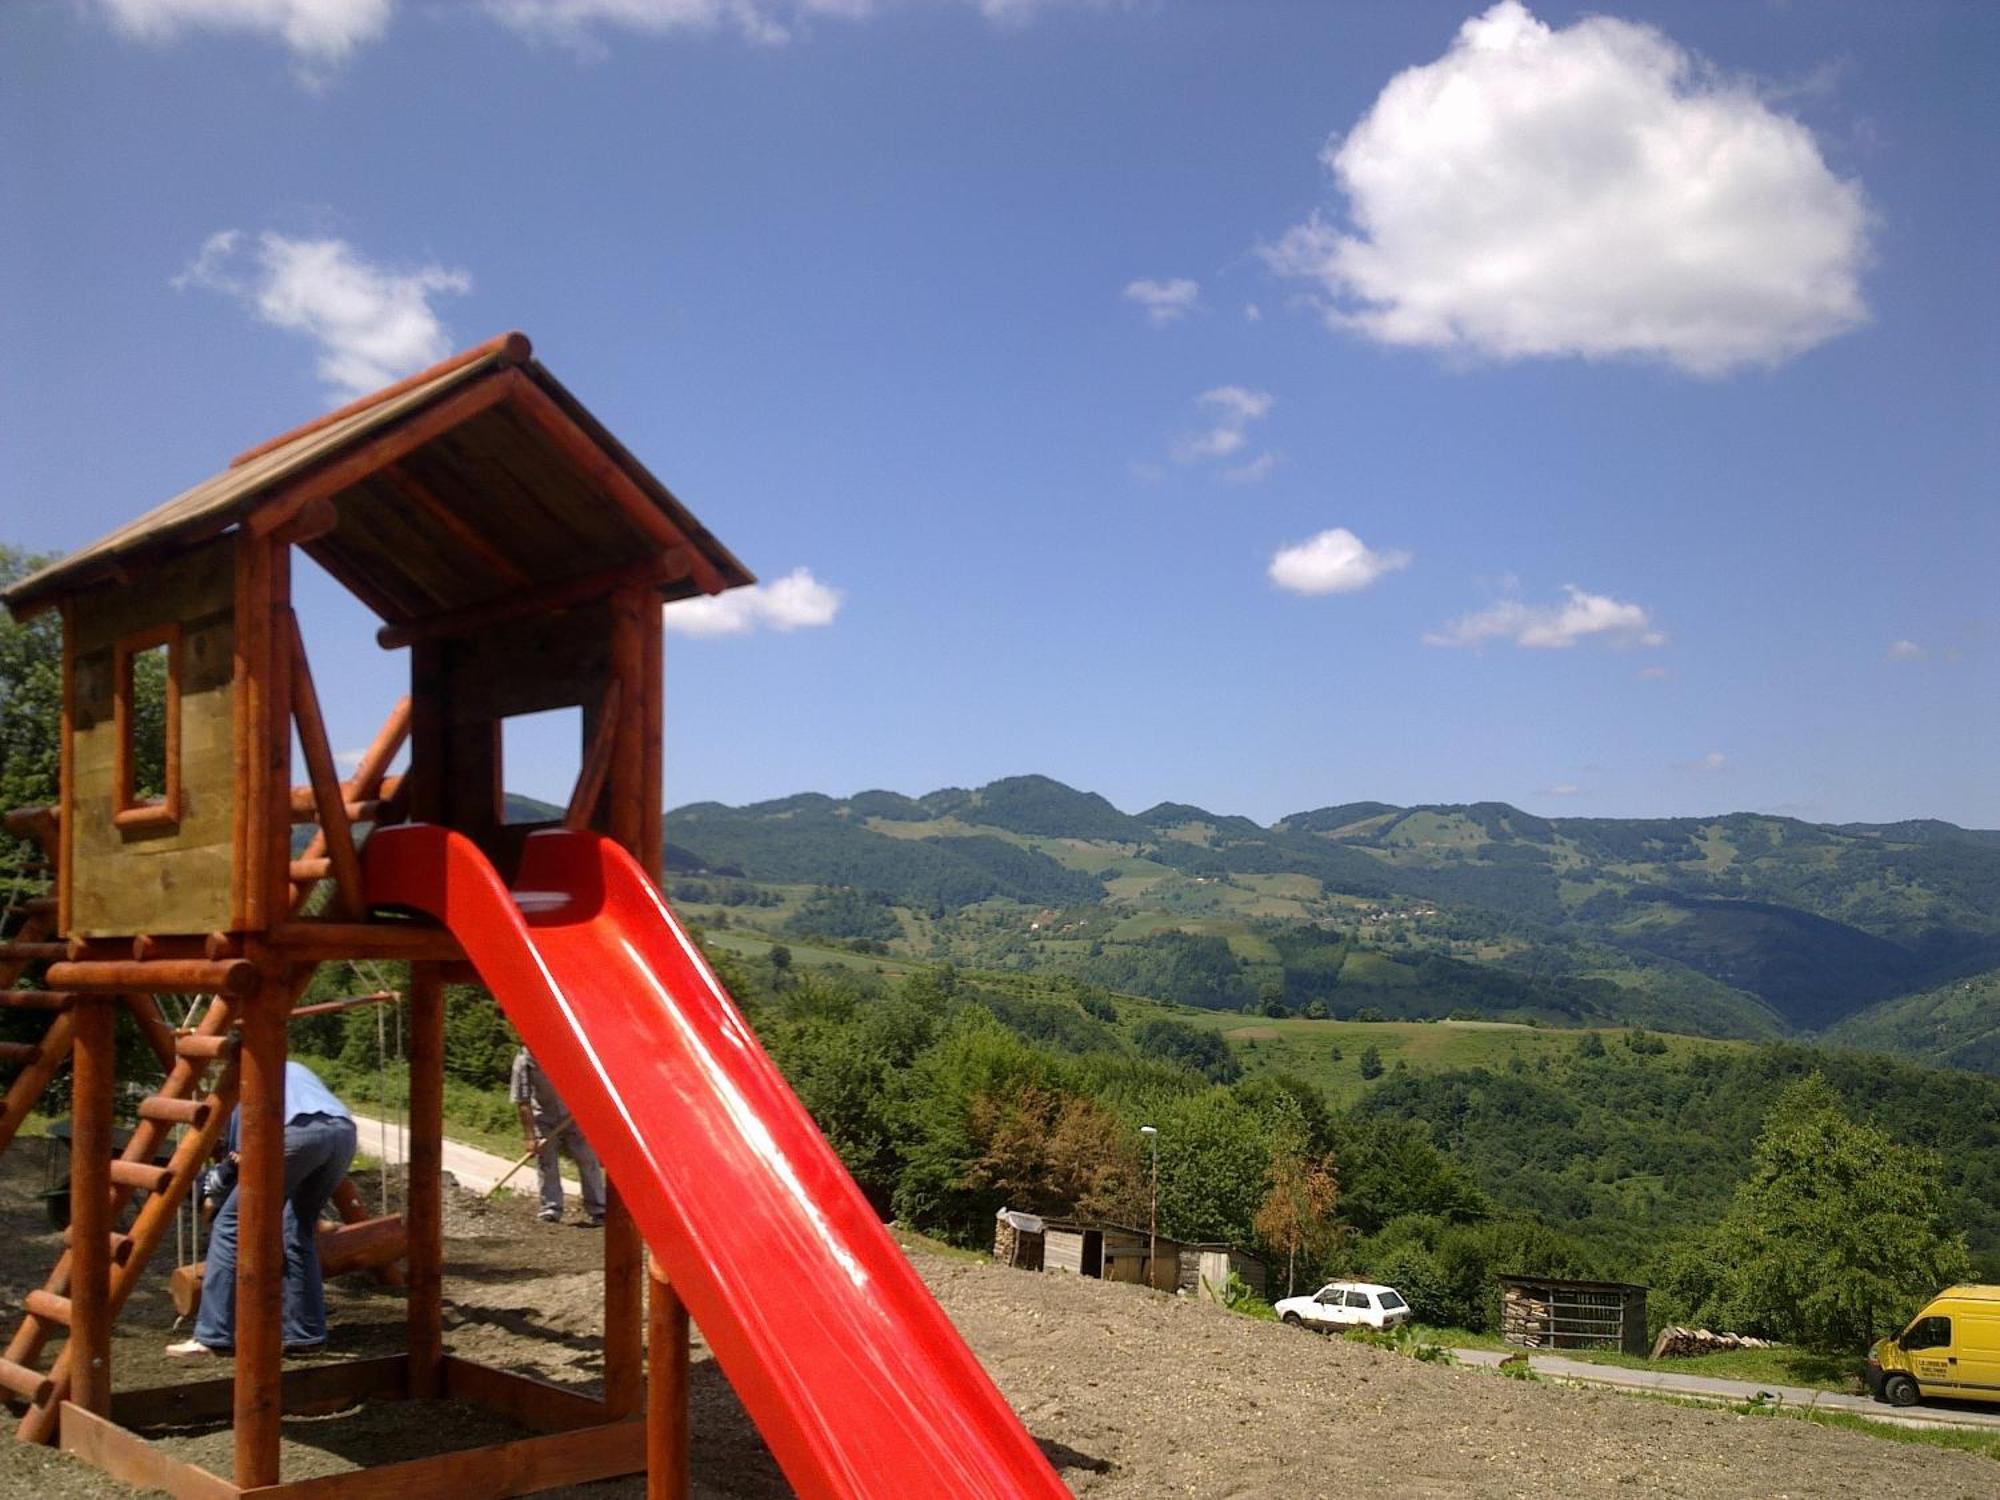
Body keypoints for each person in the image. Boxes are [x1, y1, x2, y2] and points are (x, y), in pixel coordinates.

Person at [167, 1059, 357, 1357]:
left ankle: (214, 1334)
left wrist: (213, 1199)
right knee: (297, 1229)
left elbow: (240, 1159)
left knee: (231, 1225)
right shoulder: (289, 1064)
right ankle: (305, 1336)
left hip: (295, 1134)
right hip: (343, 1133)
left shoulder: (246, 1077)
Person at [511, 1046, 605, 1226]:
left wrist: (586, 1102)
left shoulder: (564, 1050)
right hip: (543, 1117)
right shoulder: (524, 1061)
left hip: (574, 1114)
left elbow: (587, 1077)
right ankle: (551, 1209)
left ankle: (599, 1208)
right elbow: (523, 1102)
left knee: (588, 1159)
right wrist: (530, 1137)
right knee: (546, 1162)